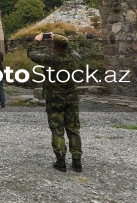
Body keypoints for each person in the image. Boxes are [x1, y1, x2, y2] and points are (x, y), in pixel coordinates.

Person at [27, 33, 83, 173]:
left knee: (57, 130)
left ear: (55, 46)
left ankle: (61, 161)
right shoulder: (75, 57)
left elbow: (32, 54)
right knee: (74, 130)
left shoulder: (51, 59)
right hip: (71, 99)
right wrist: (59, 38)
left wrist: (37, 40)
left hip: (54, 99)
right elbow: (70, 49)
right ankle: (77, 162)